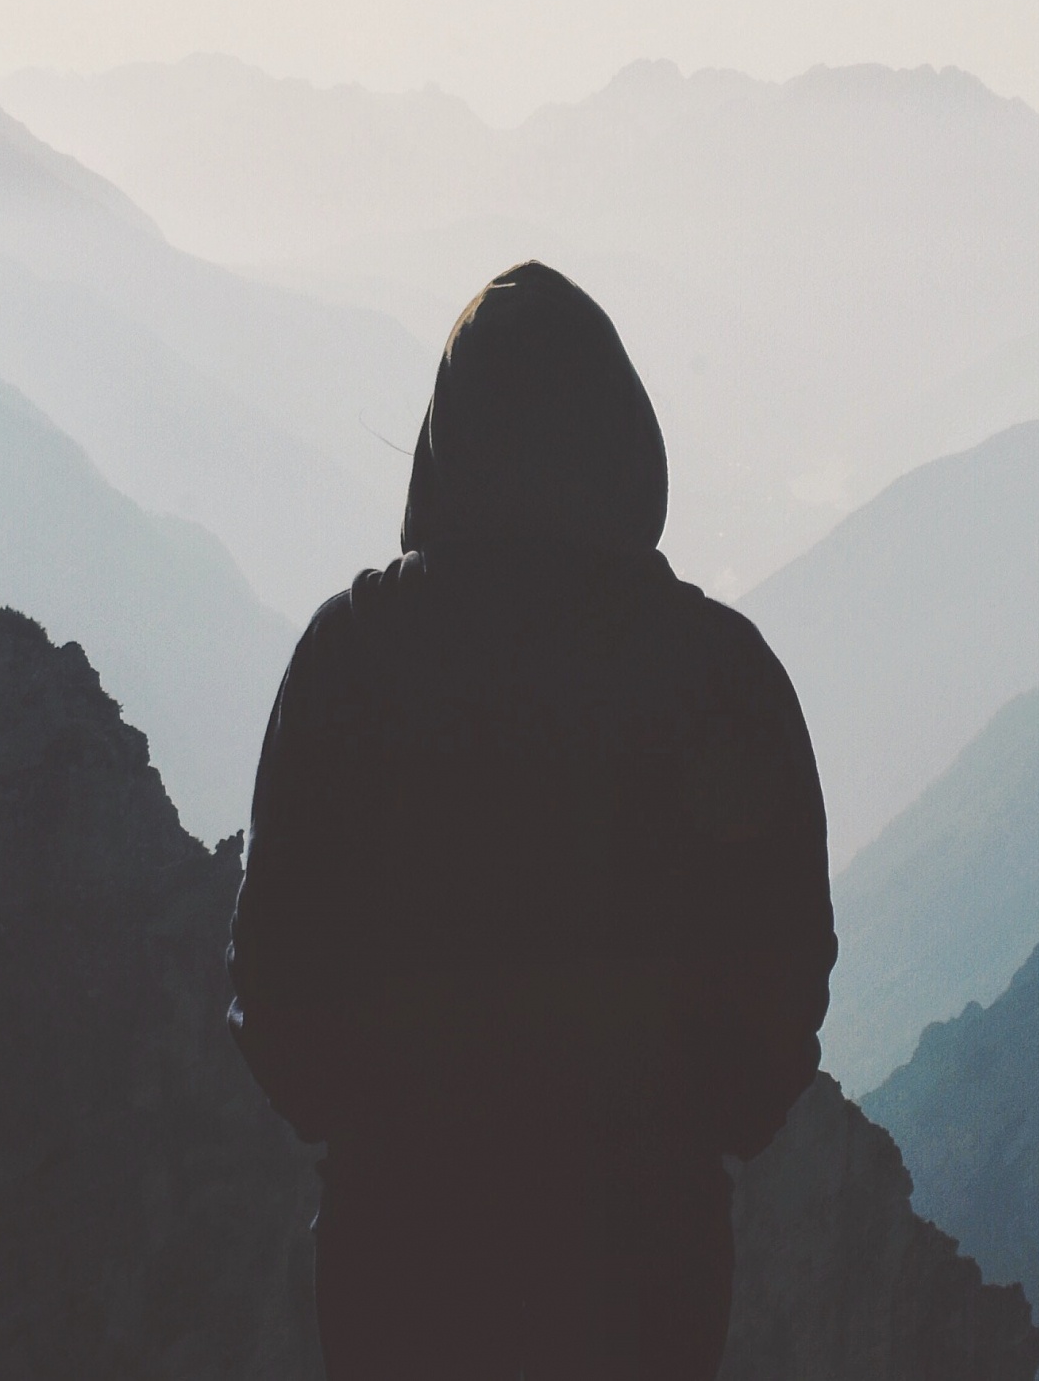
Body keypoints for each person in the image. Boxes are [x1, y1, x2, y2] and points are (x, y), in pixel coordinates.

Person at [228, 261, 836, 1381]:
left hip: (401, 1259)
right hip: (645, 1267)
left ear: (443, 445)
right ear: (624, 446)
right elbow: (785, 970)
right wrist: (692, 1135)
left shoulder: (349, 659)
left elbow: (275, 975)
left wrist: (371, 1130)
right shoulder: (719, 676)